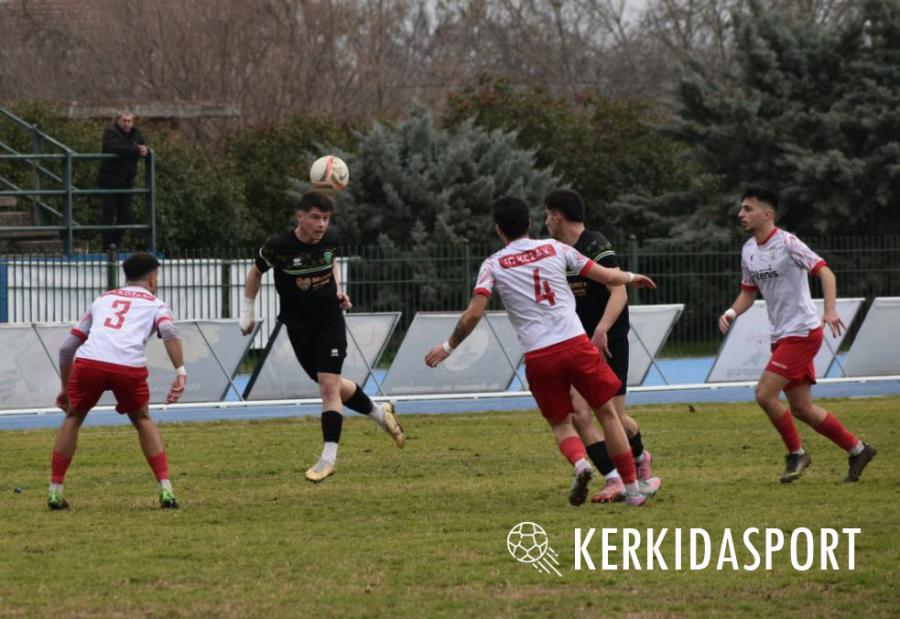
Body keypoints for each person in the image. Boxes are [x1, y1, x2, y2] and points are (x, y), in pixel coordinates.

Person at [425, 196, 661, 506]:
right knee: (607, 415)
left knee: (562, 422)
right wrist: (632, 277)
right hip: (577, 344)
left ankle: (580, 463)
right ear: (529, 223)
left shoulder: (493, 264)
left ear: (499, 230)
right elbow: (606, 276)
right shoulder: (556, 249)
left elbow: (474, 314)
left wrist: (447, 346)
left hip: (540, 355)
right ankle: (631, 490)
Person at [239, 191, 405, 483]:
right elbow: (255, 273)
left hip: (330, 321)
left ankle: (328, 460)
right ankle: (381, 414)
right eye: (315, 218)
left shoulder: (330, 241)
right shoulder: (279, 246)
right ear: (300, 216)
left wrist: (338, 291)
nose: (321, 225)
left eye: (326, 219)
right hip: (298, 327)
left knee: (328, 388)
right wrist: (247, 311)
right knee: (333, 385)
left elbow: (331, 263)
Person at [719, 186, 876, 483]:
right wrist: (730, 312)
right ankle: (858, 450)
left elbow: (825, 272)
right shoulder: (748, 250)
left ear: (767, 214)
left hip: (802, 332)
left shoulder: (788, 242)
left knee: (764, 394)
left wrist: (830, 310)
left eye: (748, 208)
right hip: (782, 335)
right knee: (802, 408)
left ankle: (797, 453)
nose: (741, 214)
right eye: (741, 208)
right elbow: (748, 293)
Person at [49, 253, 186, 510]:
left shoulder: (103, 299)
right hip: (128, 367)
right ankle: (166, 488)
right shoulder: (156, 304)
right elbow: (168, 330)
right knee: (142, 419)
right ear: (152, 278)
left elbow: (67, 348)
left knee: (73, 417)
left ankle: (55, 490)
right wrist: (180, 371)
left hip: (90, 363)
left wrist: (66, 388)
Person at [544, 189, 654, 504]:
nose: (545, 222)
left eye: (547, 216)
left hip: (609, 341)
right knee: (579, 413)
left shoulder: (594, 244)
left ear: (557, 216)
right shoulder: (557, 251)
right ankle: (613, 478)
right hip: (579, 344)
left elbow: (619, 291)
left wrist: (603, 329)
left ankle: (640, 456)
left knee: (613, 416)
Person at [97, 110, 149, 249]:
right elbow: (114, 148)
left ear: (133, 122)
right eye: (124, 121)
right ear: (119, 121)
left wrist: (146, 150)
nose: (127, 124)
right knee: (108, 214)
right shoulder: (111, 132)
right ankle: (107, 246)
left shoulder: (136, 133)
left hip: (127, 181)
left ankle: (116, 243)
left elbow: (142, 147)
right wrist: (136, 150)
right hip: (109, 180)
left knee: (125, 216)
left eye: (129, 121)